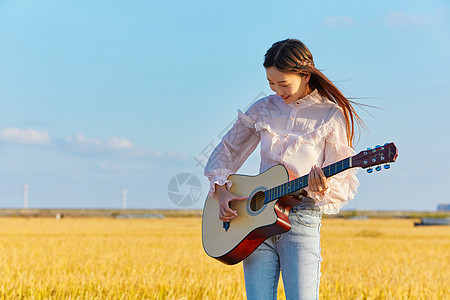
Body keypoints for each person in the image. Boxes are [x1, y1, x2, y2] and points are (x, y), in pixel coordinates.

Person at [204, 38, 363, 300]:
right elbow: (227, 150)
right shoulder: (263, 108)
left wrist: (322, 188)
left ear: (304, 74)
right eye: (271, 84)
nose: (278, 91)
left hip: (301, 221)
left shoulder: (330, 115)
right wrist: (221, 190)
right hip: (254, 224)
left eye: (283, 83)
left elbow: (343, 181)